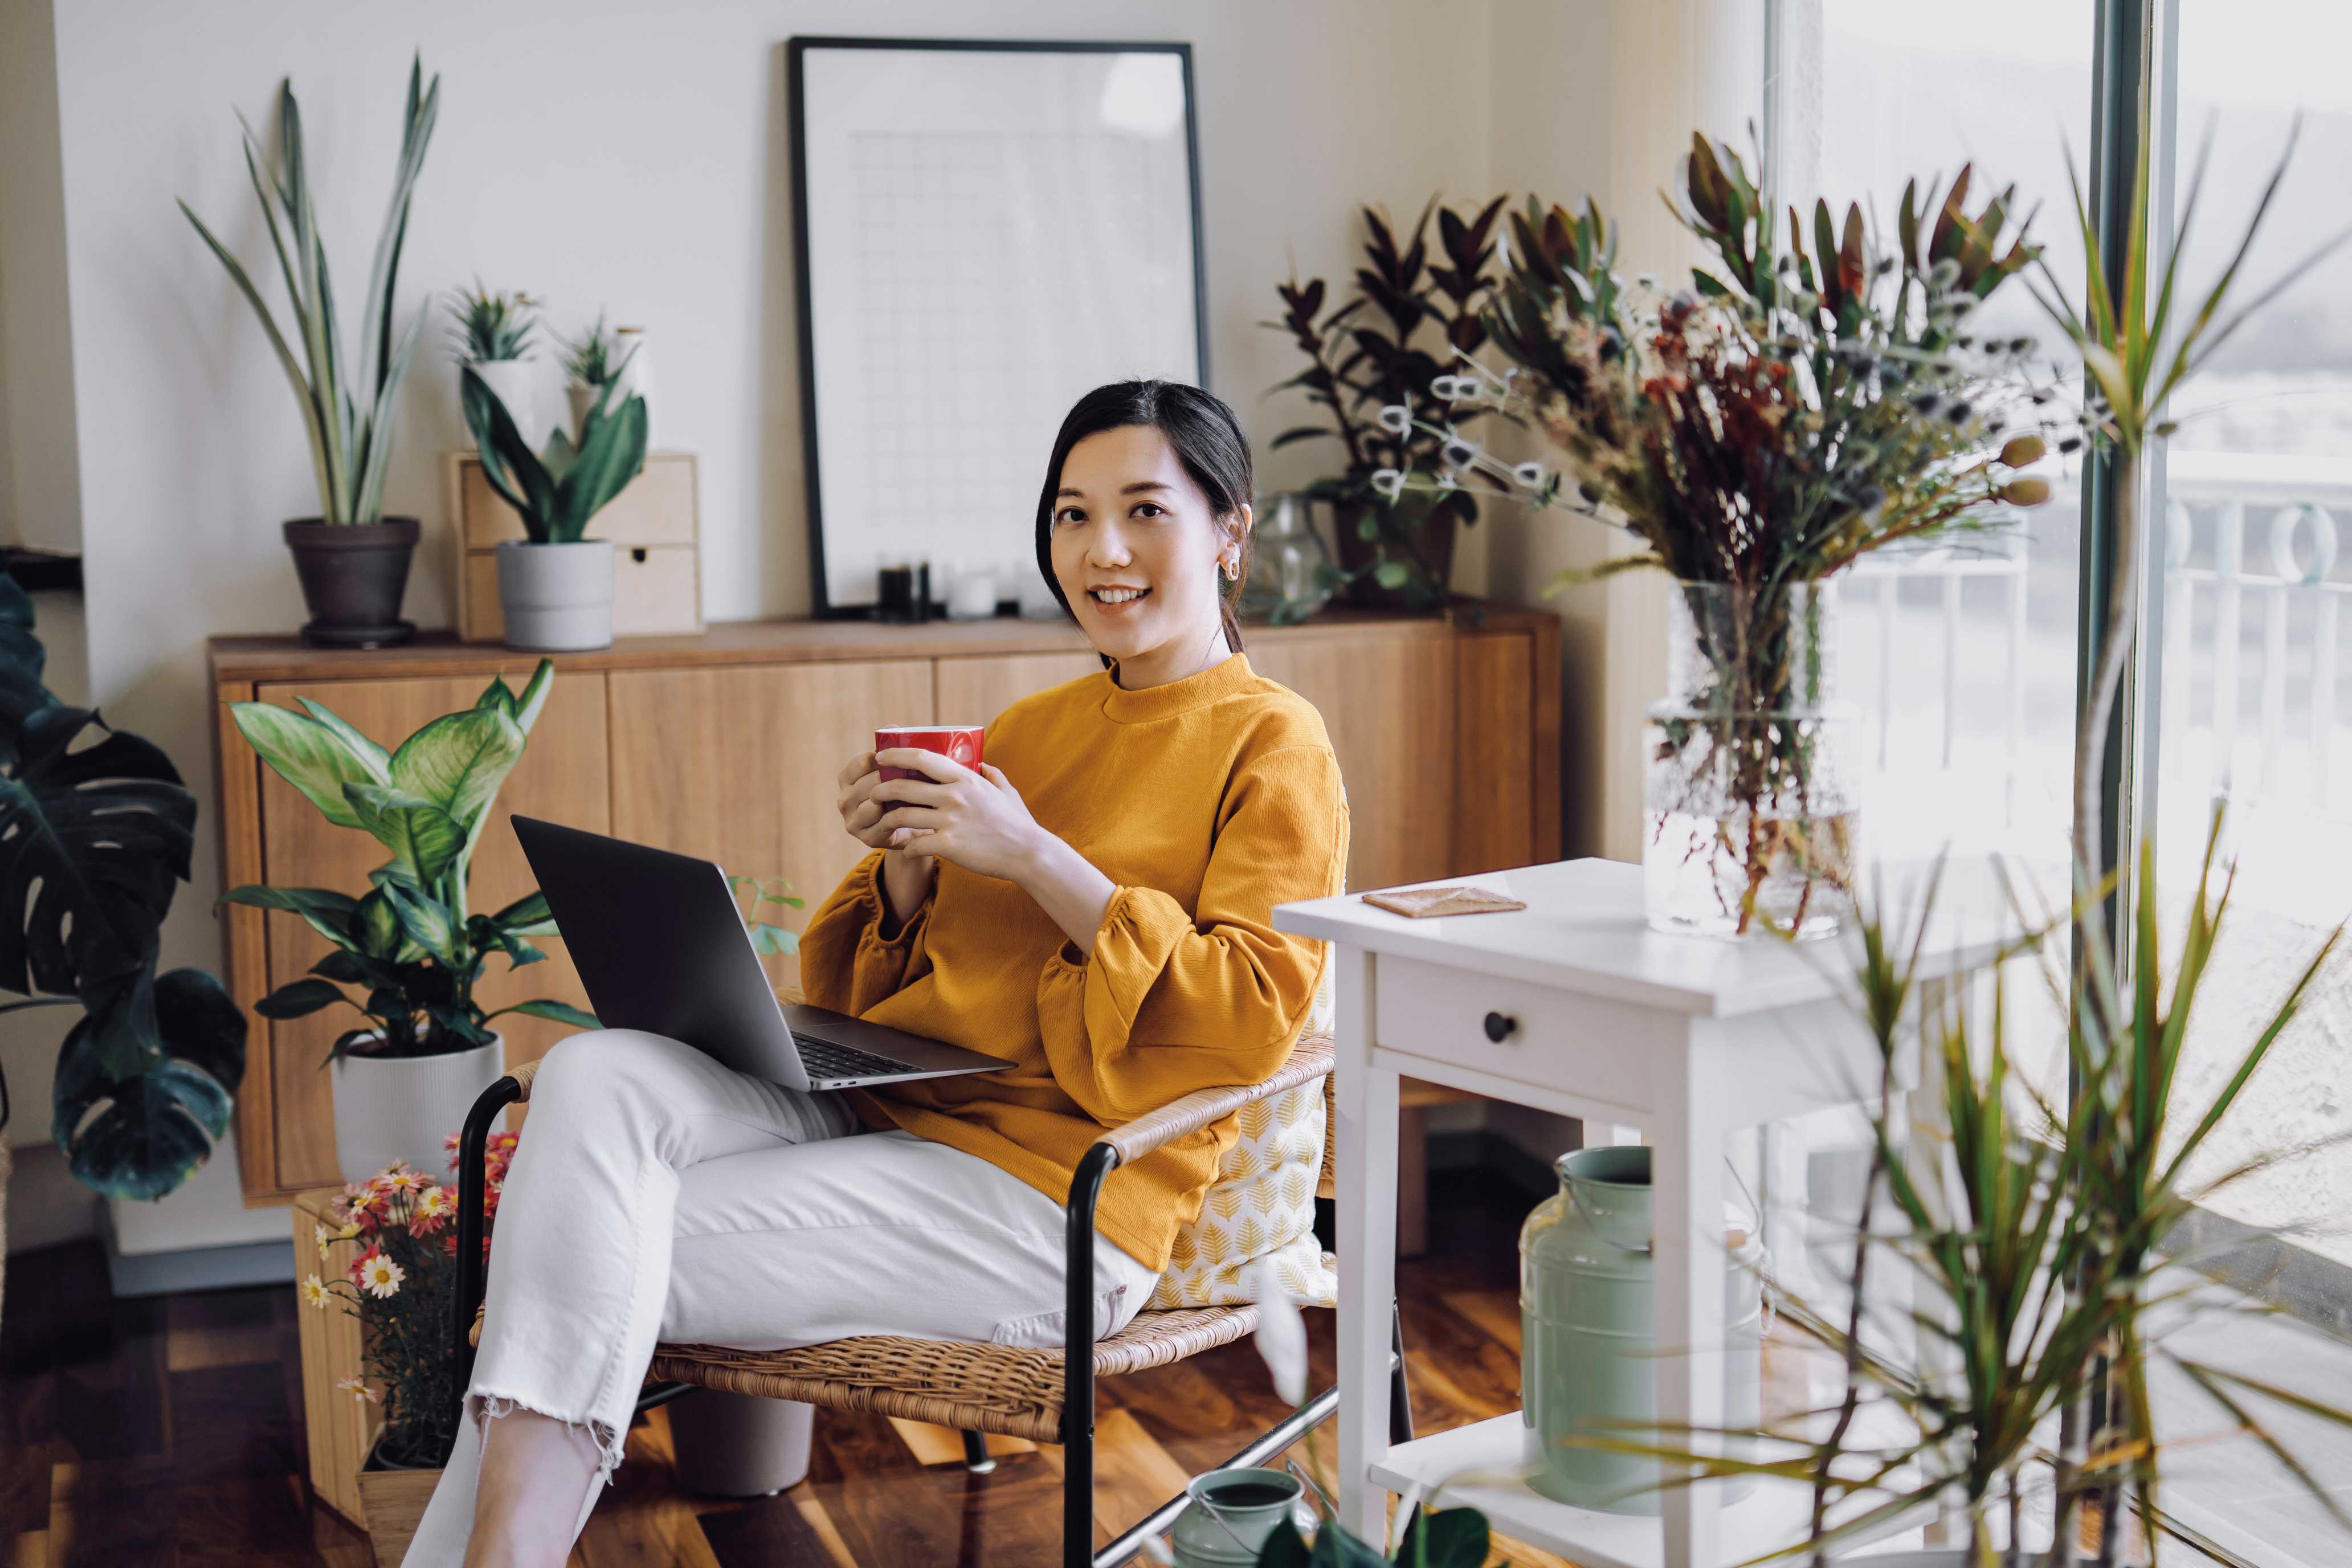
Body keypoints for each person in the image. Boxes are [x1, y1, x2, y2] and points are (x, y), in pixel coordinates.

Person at [403, 379, 1349, 1566]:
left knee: (572, 1241)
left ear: (1231, 530)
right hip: (891, 1121)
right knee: (595, 1074)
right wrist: (905, 872)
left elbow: (1251, 1018)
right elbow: (880, 994)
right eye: (1071, 513)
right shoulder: (1034, 726)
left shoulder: (1276, 741)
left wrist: (1034, 855)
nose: (1101, 550)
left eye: (1145, 510)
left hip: (1050, 1205)